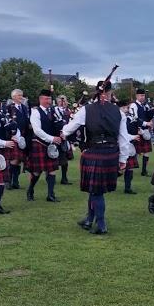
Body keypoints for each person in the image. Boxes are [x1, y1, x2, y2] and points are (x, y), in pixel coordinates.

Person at [62, 80, 131, 234]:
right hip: (112, 153)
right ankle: (88, 219)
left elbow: (68, 130)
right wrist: (123, 159)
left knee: (96, 191)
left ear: (97, 92)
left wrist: (63, 131)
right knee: (94, 190)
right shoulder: (118, 111)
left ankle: (101, 225)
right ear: (110, 92)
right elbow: (124, 139)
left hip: (94, 152)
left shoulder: (86, 110)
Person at [26, 89, 61, 202]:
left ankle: (50, 195)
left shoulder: (53, 111)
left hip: (51, 145)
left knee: (51, 170)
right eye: (46, 98)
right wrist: (52, 138)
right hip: (39, 144)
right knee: (37, 171)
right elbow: (37, 130)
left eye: (50, 98)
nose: (49, 101)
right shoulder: (35, 112)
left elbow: (58, 125)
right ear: (40, 99)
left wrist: (62, 133)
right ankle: (30, 189)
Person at [6, 88, 29, 189]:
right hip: (13, 136)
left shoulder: (24, 107)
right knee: (13, 160)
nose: (21, 97)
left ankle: (15, 182)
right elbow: (6, 123)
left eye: (22, 95)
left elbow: (26, 121)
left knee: (19, 160)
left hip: (22, 137)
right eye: (19, 95)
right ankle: (8, 181)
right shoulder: (8, 108)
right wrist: (10, 136)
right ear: (13, 97)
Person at [128, 88, 154, 176]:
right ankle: (124, 168)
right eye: (141, 95)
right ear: (137, 96)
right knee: (133, 152)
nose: (142, 97)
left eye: (143, 95)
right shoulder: (133, 105)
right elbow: (134, 118)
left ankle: (144, 170)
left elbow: (148, 116)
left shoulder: (145, 105)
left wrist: (151, 111)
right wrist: (146, 123)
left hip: (145, 131)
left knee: (146, 152)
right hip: (137, 131)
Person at [118, 99, 140, 194]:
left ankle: (127, 188)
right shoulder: (119, 118)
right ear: (122, 108)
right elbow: (123, 134)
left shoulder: (128, 118)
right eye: (127, 108)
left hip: (128, 144)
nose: (128, 109)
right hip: (121, 144)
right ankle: (106, 183)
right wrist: (133, 137)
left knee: (129, 168)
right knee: (119, 168)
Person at [56, 95, 74, 185]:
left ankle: (64, 178)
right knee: (52, 158)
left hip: (65, 138)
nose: (62, 102)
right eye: (60, 101)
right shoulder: (54, 110)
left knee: (65, 160)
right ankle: (50, 176)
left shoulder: (69, 111)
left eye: (64, 101)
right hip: (55, 138)